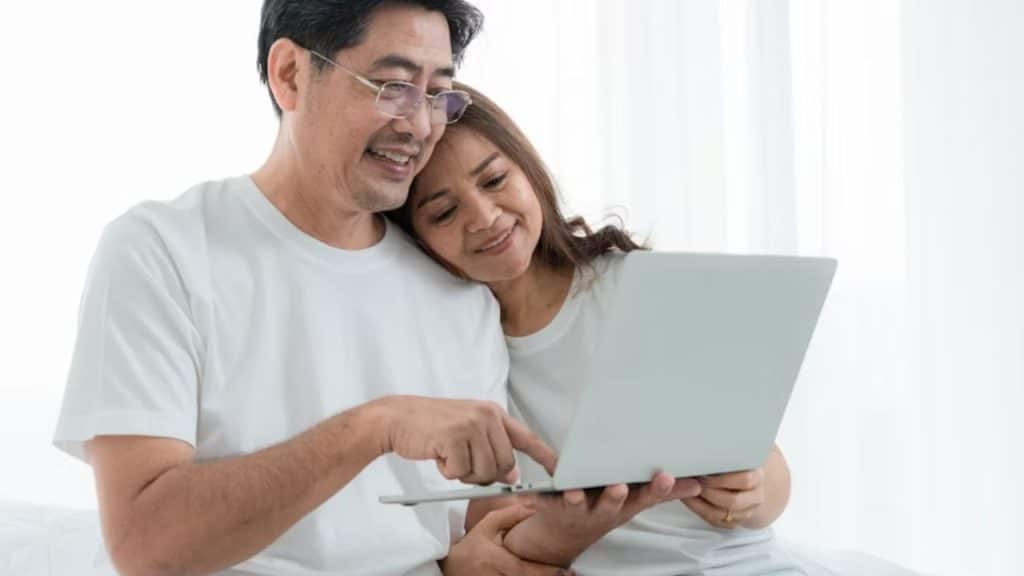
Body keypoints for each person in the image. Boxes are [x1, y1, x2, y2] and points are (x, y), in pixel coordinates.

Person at [52, 2, 700, 575]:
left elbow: (478, 530)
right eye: (393, 87)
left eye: (438, 94)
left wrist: (577, 519)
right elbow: (144, 545)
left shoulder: (456, 291)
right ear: (291, 76)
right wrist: (375, 427)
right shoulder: (161, 251)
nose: (420, 126)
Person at [390, 82, 807, 574]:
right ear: (415, 240)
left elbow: (770, 468)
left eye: (495, 180)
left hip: (730, 563)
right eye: (444, 212)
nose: (484, 217)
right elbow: (480, 523)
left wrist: (751, 493)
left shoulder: (637, 288)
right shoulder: (451, 347)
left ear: (528, 169)